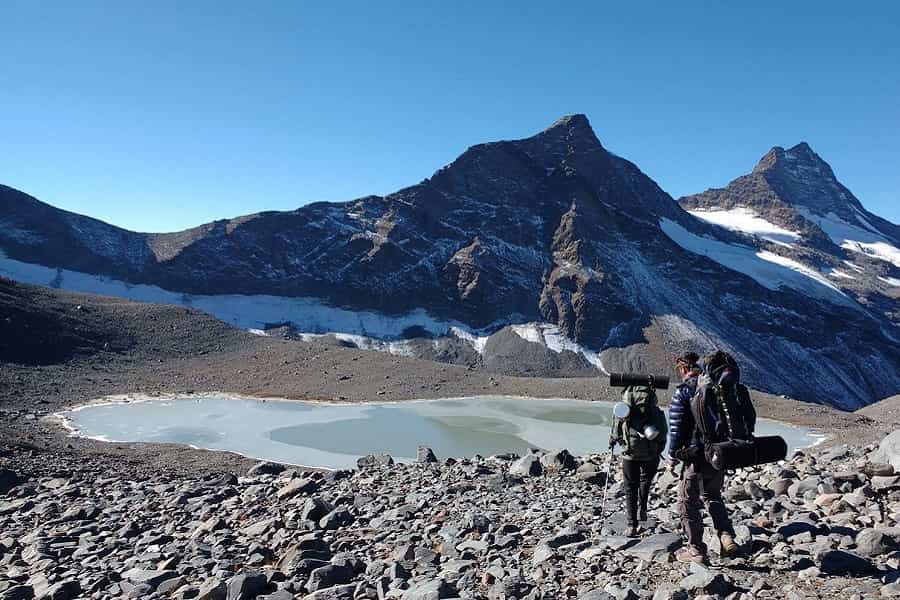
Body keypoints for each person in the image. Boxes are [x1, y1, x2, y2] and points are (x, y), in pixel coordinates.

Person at [668, 351, 738, 564]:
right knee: (713, 495)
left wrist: (672, 457)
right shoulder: (717, 388)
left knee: (686, 502)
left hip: (695, 456)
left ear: (683, 369)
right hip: (719, 453)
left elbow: (677, 428)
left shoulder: (685, 391)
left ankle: (696, 550)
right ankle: (726, 536)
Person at [610, 381, 668, 537]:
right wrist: (658, 449)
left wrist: (613, 441)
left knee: (630, 488)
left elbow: (615, 432)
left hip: (630, 454)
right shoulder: (655, 412)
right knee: (645, 481)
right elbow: (663, 433)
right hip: (651, 454)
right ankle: (643, 508)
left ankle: (631, 524)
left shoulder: (623, 411)